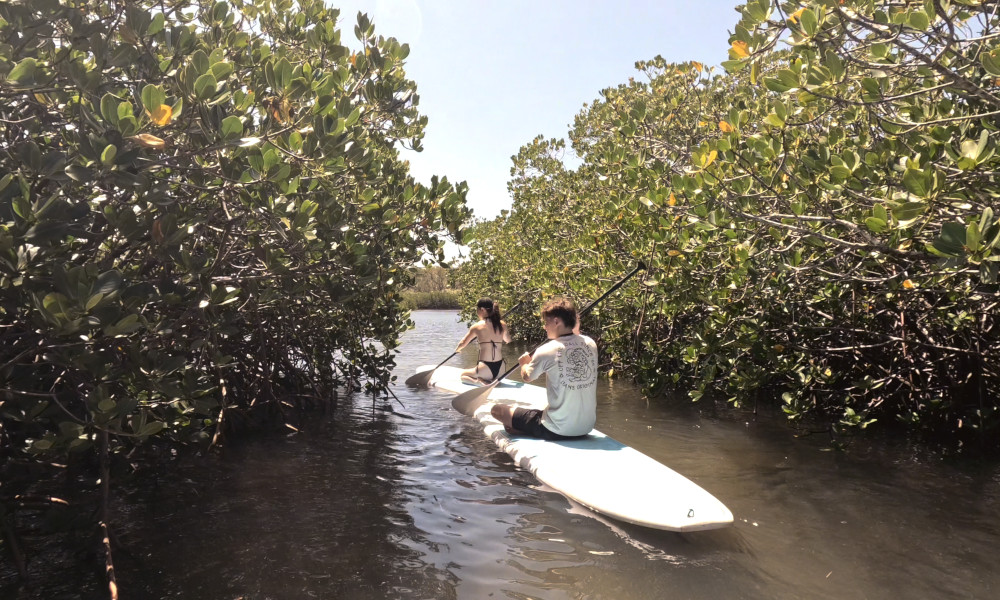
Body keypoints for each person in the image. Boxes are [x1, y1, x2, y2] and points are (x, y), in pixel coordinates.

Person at [491, 297, 598, 440]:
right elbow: (575, 336)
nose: (544, 327)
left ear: (556, 321)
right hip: (586, 428)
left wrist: (524, 363)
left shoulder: (545, 350)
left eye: (546, 322)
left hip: (555, 430)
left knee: (497, 410)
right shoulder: (591, 344)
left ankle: (529, 430)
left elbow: (527, 377)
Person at [455, 298, 512, 384]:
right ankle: (491, 379)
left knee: (463, 375)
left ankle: (478, 382)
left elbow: (463, 343)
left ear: (482, 309)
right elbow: (508, 340)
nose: (476, 311)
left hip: (485, 368)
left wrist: (457, 349)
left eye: (477, 309)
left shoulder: (477, 326)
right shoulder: (502, 324)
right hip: (501, 369)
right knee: (488, 374)